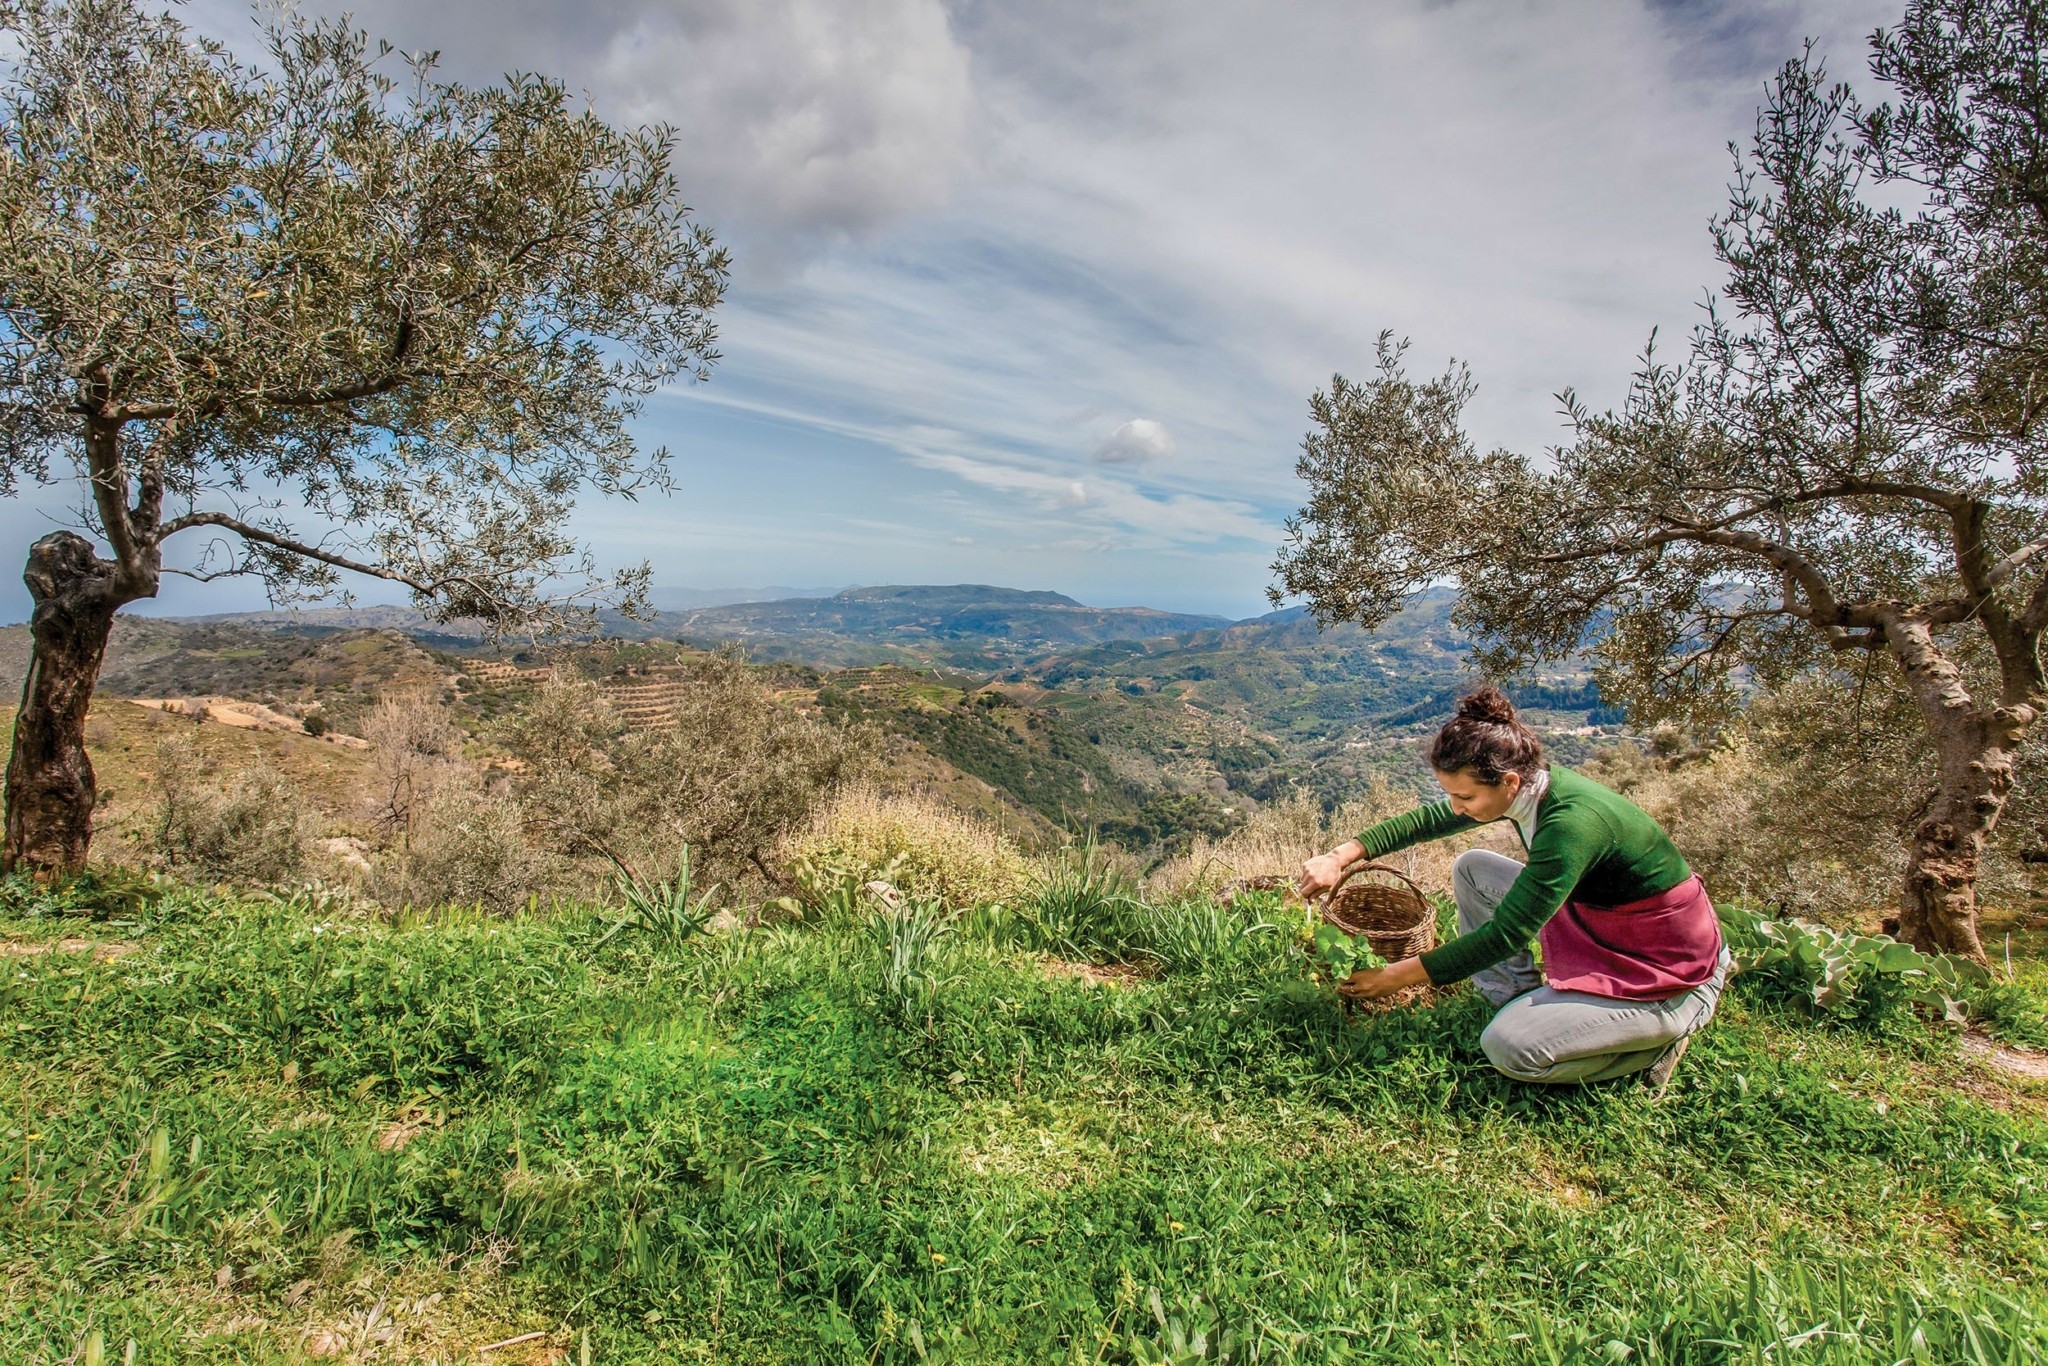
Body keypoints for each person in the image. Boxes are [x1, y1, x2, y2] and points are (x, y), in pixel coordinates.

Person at [1295, 686, 1728, 1090]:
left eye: (1464, 797)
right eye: (1451, 795)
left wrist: (1394, 977)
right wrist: (1340, 856)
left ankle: (1654, 1044)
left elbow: (1505, 935)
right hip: (1602, 921)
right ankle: (1513, 999)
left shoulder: (1571, 825)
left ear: (1509, 782)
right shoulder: (1527, 787)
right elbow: (1428, 822)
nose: (1456, 808)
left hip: (1664, 966)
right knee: (1473, 867)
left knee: (1510, 1049)